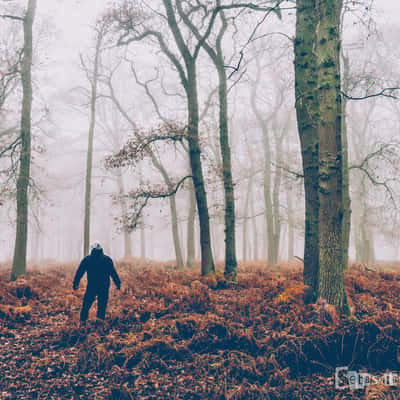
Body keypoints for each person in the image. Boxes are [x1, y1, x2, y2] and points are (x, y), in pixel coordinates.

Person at [73, 241, 121, 323]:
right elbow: (113, 273)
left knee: (86, 305)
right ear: (101, 249)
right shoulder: (107, 259)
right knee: (102, 305)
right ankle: (99, 323)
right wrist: (118, 283)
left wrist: (75, 283)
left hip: (92, 286)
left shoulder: (87, 259)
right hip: (104, 286)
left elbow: (79, 272)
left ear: (92, 249)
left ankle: (82, 322)